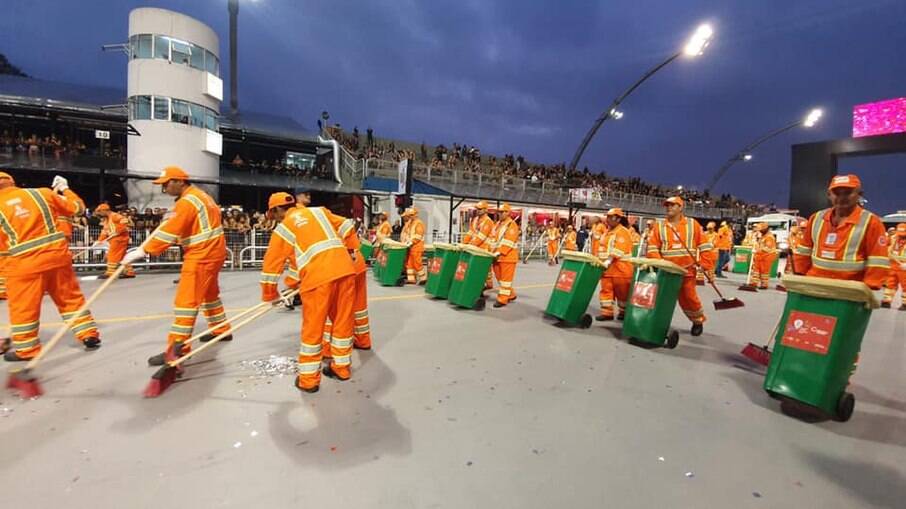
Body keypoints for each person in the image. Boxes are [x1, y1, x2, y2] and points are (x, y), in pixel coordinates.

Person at [125, 166, 231, 366]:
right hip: (212, 252)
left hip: (202, 255)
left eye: (166, 184)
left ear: (180, 181)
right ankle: (220, 329)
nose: (164, 188)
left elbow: (170, 231)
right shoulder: (200, 196)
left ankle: (177, 351)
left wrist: (144, 250)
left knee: (186, 303)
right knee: (209, 295)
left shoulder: (187, 202)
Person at [260, 192, 357, 393]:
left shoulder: (284, 228)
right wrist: (353, 250)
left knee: (313, 328)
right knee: (342, 321)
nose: (275, 219)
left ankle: (309, 380)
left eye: (274, 214)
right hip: (346, 269)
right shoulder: (319, 212)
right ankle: (342, 368)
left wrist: (270, 294)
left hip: (318, 279)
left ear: (277, 209)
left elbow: (272, 265)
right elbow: (347, 225)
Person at [0, 173, 101, 361]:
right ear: (13, 182)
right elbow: (77, 208)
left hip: (24, 264)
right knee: (70, 299)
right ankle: (88, 333)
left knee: (24, 308)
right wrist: (65, 189)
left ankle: (27, 349)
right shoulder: (43, 193)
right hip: (57, 257)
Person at [792, 174, 889, 290]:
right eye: (837, 193)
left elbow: (878, 260)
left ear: (859, 195)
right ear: (829, 195)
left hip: (850, 289)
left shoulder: (872, 222)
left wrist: (868, 288)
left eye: (848, 192)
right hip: (815, 284)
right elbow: (804, 251)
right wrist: (799, 276)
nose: (842, 197)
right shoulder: (816, 218)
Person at [646, 196, 713, 336]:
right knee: (660, 299)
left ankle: (697, 320)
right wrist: (659, 263)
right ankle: (657, 324)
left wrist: (705, 263)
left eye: (673, 205)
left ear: (681, 207)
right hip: (666, 271)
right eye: (667, 205)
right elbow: (652, 247)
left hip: (687, 270)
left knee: (689, 298)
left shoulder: (692, 224)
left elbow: (705, 245)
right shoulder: (659, 225)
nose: (669, 207)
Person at [596, 208, 634, 321]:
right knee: (606, 291)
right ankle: (607, 313)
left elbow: (619, 250)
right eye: (607, 217)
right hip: (607, 269)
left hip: (620, 269)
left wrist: (607, 261)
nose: (607, 219)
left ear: (618, 219)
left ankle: (624, 312)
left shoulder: (622, 231)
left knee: (623, 293)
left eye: (610, 217)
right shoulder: (607, 232)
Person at [93, 203, 136, 279]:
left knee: (112, 255)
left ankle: (110, 273)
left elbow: (125, 221)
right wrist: (99, 240)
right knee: (122, 257)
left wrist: (118, 231)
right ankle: (129, 272)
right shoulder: (106, 219)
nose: (99, 214)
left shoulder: (114, 216)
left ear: (105, 211)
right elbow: (104, 231)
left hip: (119, 239)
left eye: (100, 211)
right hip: (116, 239)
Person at [490, 203, 521, 307]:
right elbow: (493, 239)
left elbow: (509, 241)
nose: (501, 214)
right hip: (496, 257)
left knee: (505, 280)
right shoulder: (498, 224)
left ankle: (502, 299)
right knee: (500, 279)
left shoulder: (511, 225)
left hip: (507, 257)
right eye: (500, 212)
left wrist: (500, 252)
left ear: (508, 213)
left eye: (504, 212)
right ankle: (510, 294)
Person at [743, 222, 777, 290]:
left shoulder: (769, 237)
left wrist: (757, 251)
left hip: (767, 257)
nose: (760, 231)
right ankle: (753, 283)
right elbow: (759, 245)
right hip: (760, 256)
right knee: (756, 270)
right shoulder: (762, 236)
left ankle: (764, 285)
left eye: (761, 230)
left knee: (764, 271)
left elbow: (767, 248)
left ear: (766, 229)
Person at [881, 223, 906, 309]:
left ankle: (905, 304)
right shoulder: (892, 238)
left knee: (905, 285)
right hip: (892, 264)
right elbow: (883, 245)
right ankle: (886, 301)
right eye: (900, 234)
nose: (901, 237)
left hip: (904, 267)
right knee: (890, 283)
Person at [400, 207, 426, 284]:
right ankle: (411, 279)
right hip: (411, 246)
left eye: (409, 216)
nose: (408, 217)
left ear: (414, 215)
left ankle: (423, 278)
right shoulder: (411, 223)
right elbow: (408, 233)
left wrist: (410, 242)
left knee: (417, 262)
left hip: (417, 246)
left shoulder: (418, 223)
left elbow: (418, 235)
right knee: (409, 263)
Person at [697, 221, 719, 286]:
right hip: (705, 252)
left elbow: (714, 244)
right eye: (708, 228)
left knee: (711, 267)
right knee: (702, 265)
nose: (709, 230)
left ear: (714, 228)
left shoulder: (716, 235)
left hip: (713, 253)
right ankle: (700, 279)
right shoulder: (704, 234)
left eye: (711, 228)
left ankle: (711, 279)